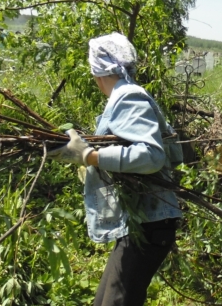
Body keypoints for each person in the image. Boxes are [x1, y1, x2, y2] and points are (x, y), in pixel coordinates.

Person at [47, 32, 182, 305]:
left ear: (96, 72)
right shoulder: (125, 96)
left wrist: (91, 156)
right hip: (141, 224)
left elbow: (152, 155)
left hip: (151, 225)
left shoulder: (128, 97)